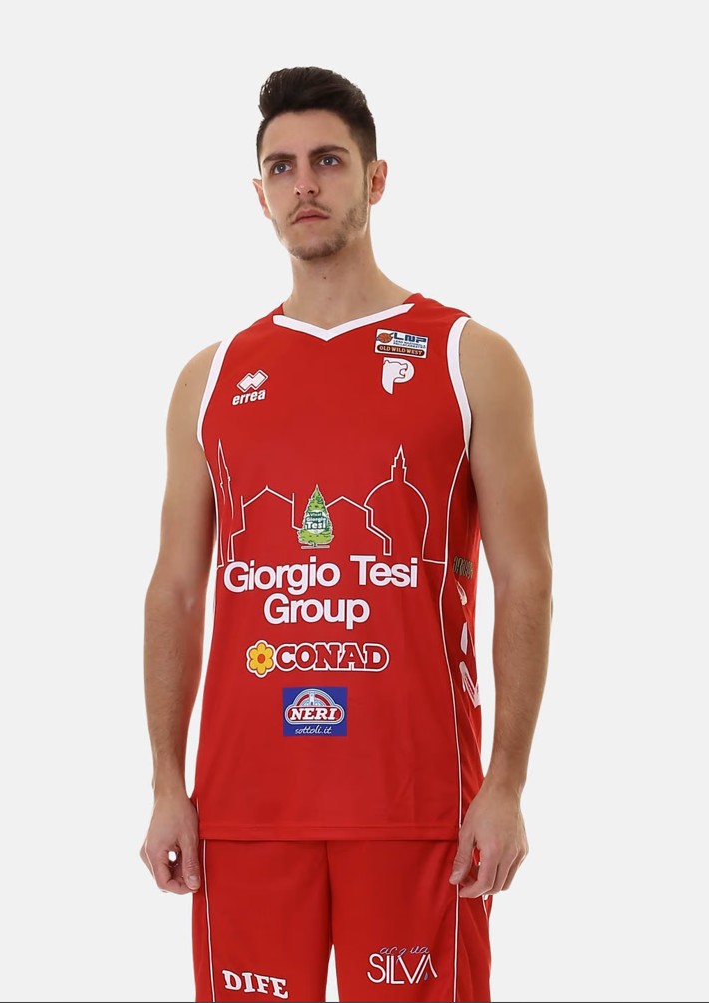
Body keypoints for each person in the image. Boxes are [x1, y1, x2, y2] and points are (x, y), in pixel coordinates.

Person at [140, 65, 553, 1003]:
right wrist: (168, 781)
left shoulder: (469, 357)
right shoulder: (212, 376)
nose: (305, 185)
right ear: (259, 194)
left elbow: (526, 579)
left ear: (375, 178)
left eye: (327, 160)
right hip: (245, 808)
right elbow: (177, 587)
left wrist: (506, 783)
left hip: (417, 807)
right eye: (280, 168)